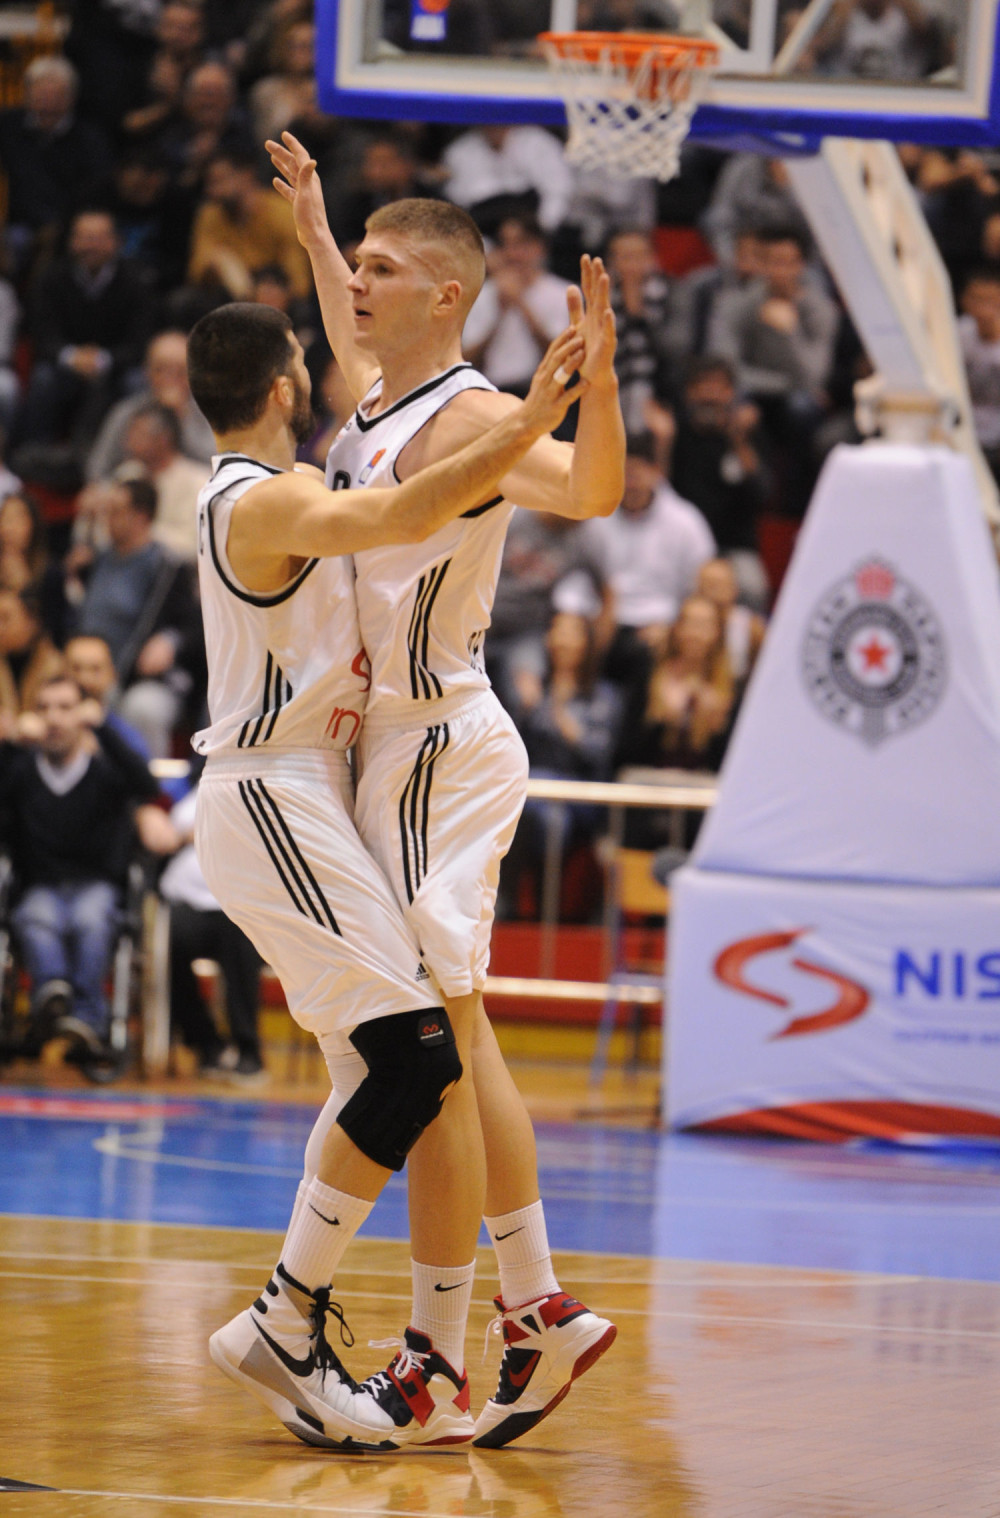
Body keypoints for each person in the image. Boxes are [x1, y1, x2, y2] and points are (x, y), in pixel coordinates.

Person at [270, 133, 623, 1448]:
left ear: (447, 295)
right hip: (388, 749)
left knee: (425, 1046)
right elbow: (357, 363)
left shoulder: (475, 413)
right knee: (442, 1045)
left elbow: (592, 487)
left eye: (381, 266)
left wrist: (602, 375)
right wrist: (313, 226)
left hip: (439, 737)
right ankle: (527, 1310)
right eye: (354, 264)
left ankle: (451, 1340)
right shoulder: (379, 400)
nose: (357, 282)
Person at [186, 300, 586, 1450]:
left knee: (382, 1064)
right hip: (277, 790)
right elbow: (410, 506)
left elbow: (366, 367)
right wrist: (526, 430)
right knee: (415, 1057)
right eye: (303, 363)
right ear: (276, 392)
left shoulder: (256, 489)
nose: (322, 369)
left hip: (304, 791)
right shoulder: (271, 497)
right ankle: (285, 1317)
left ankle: (303, 1323)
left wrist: (318, 237)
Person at [0, 672, 161, 1056]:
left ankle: (87, 1019)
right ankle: (52, 998)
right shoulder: (21, 772)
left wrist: (103, 726)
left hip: (96, 886)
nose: (54, 718)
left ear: (83, 714)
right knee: (36, 919)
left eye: (65, 708)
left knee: (91, 920)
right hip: (40, 887)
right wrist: (8, 743)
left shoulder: (103, 772)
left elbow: (146, 786)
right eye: (44, 708)